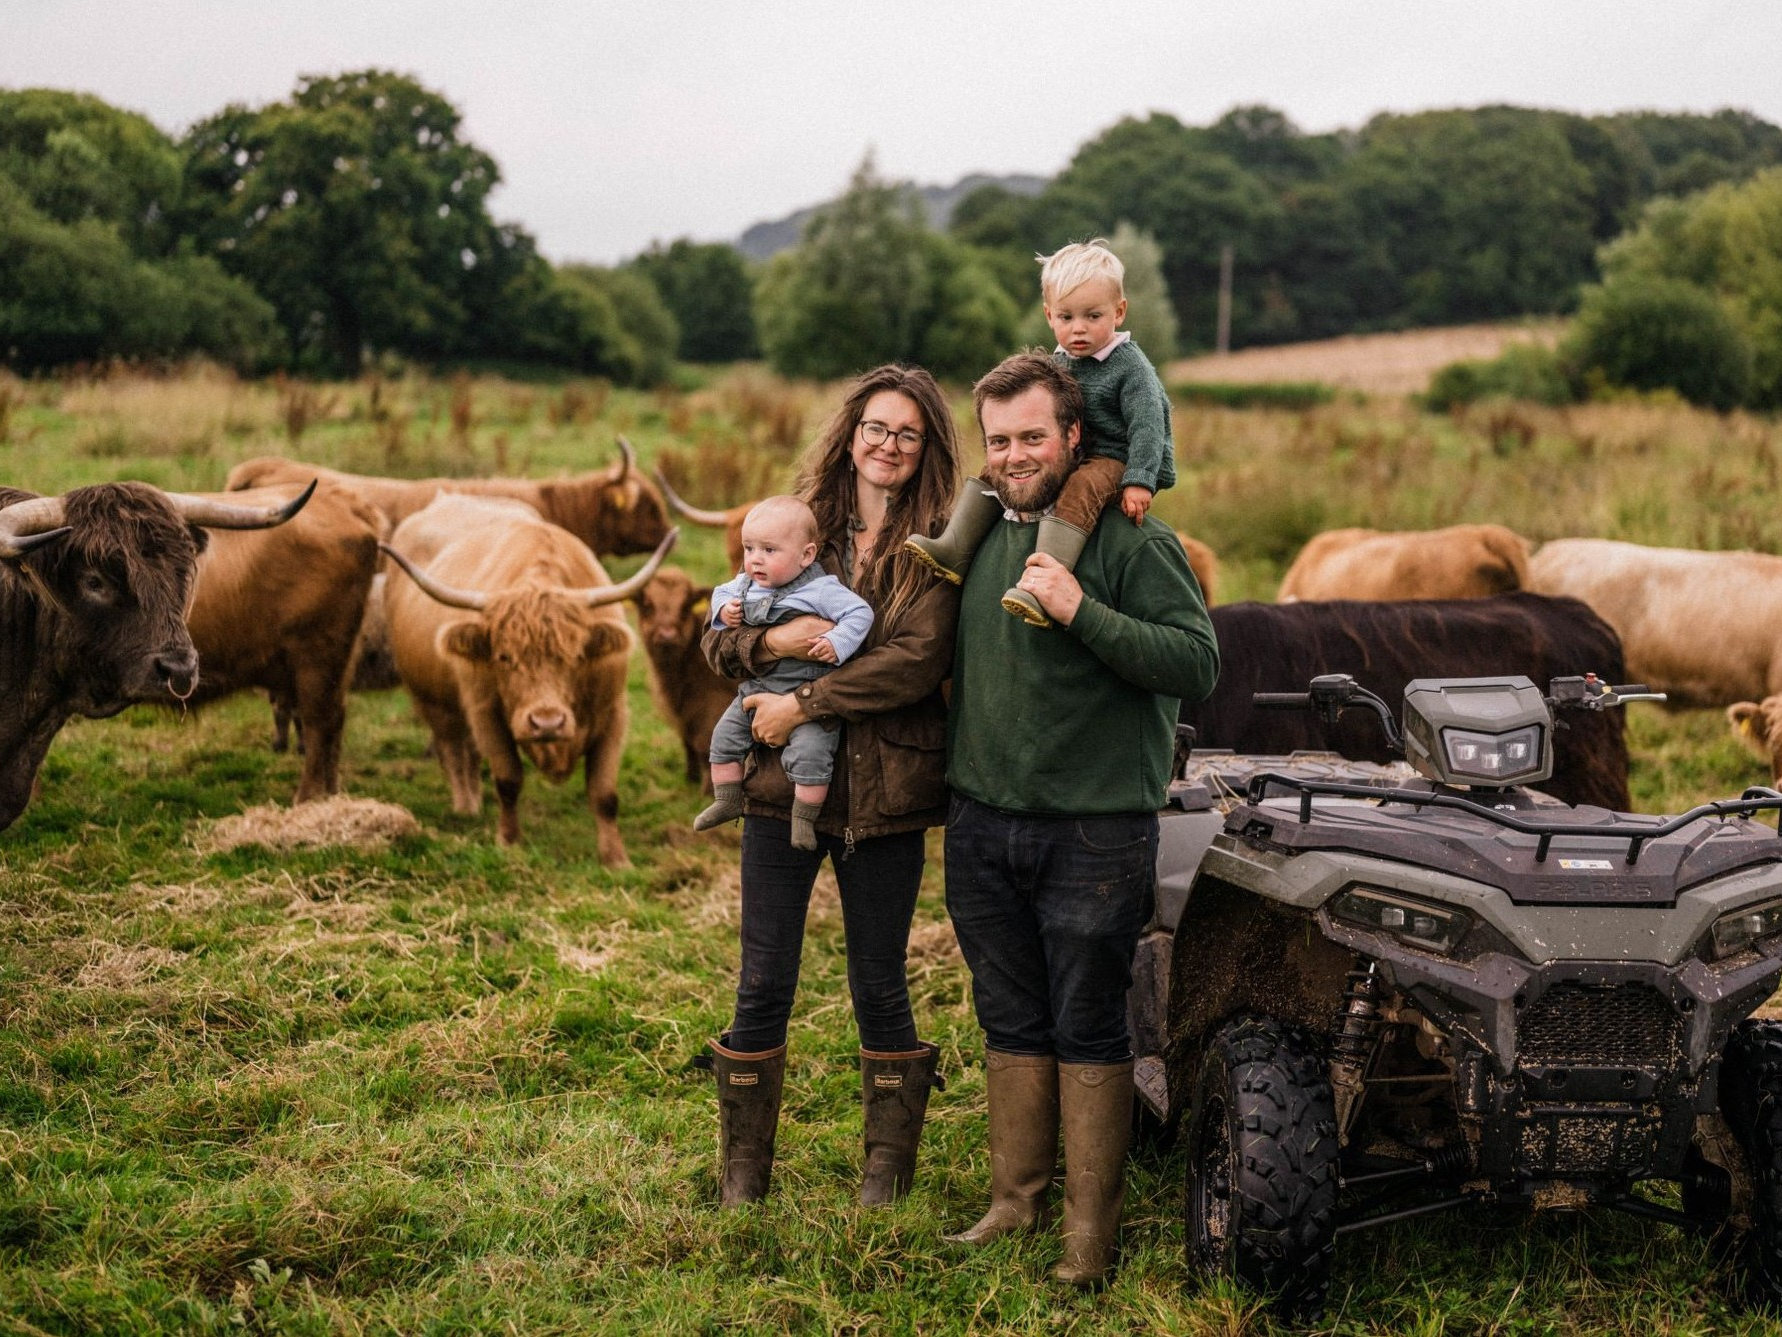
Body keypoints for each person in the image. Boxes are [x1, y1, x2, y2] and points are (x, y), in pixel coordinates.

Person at [942, 352, 1218, 1286]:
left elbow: (1195, 663)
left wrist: (1082, 610)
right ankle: (1014, 1202)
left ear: (1071, 436)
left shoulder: (1131, 544)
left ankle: (1088, 1236)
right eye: (999, 440)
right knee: (1008, 1011)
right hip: (982, 821)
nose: (1015, 455)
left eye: (1031, 436)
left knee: (1089, 1021)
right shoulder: (974, 538)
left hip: (1097, 829)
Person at [700, 364, 962, 1209]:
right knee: (763, 977)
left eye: (908, 433)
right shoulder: (796, 527)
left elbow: (916, 662)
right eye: (876, 427)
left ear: (927, 451)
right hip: (781, 792)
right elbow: (721, 634)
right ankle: (743, 1172)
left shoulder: (941, 547)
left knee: (879, 980)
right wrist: (768, 651)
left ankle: (883, 1174)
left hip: (886, 798)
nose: (888, 444)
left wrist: (803, 699)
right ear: (852, 434)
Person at [905, 238, 1177, 628]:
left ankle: (1043, 582)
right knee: (996, 467)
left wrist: (1139, 481)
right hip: (1078, 449)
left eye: (1093, 316)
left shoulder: (1130, 367)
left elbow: (1150, 427)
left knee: (1082, 487)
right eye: (1066, 318)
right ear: (1050, 316)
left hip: (1120, 456)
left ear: (1118, 313)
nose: (1078, 329)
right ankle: (955, 547)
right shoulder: (1060, 361)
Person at [694, 495, 875, 851]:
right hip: (758, 688)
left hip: (809, 690)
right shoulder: (746, 583)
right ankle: (726, 799)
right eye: (749, 548)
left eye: (768, 551)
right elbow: (719, 595)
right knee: (724, 737)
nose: (754, 559)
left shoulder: (821, 589)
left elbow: (861, 615)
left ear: (806, 556)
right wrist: (724, 612)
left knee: (811, 754)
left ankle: (803, 819)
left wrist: (837, 642)